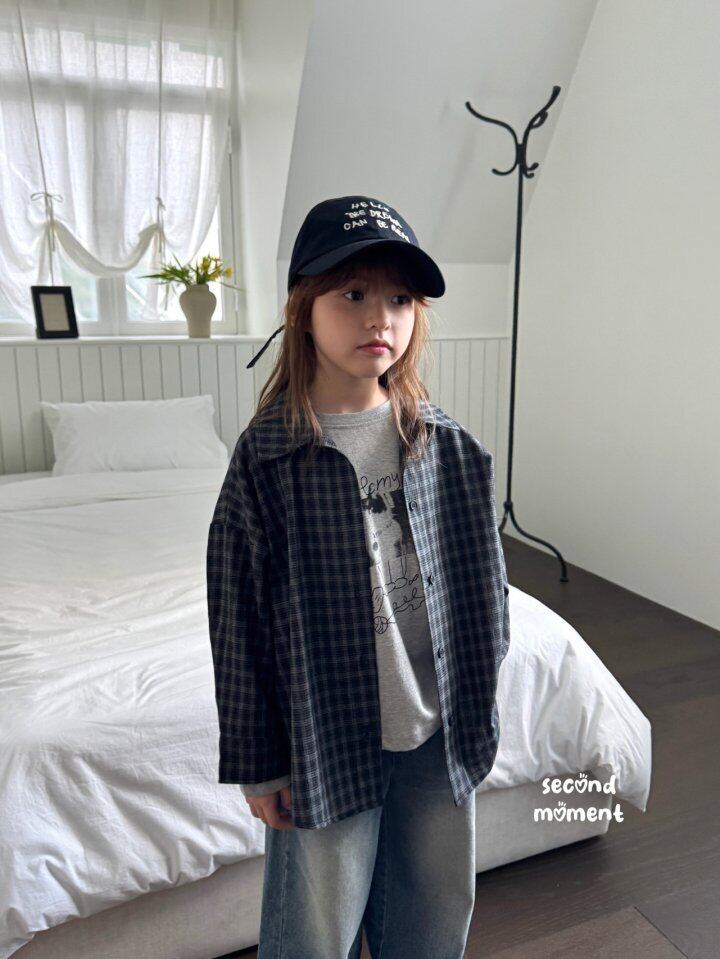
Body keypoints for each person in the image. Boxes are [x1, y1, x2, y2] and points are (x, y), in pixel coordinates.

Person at [206, 195, 511, 959]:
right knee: (314, 927)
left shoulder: (448, 447)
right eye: (353, 293)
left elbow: (487, 596)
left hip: (437, 731)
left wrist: (480, 697)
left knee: (434, 913)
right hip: (324, 737)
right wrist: (259, 763)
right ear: (303, 308)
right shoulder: (267, 458)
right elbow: (236, 620)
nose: (380, 317)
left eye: (400, 299)